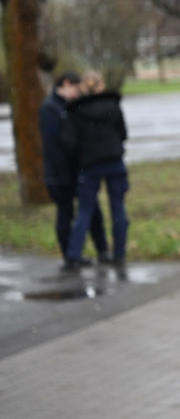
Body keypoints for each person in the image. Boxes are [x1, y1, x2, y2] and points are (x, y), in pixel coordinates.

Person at [39, 71, 110, 271]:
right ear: (66, 84)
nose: (78, 94)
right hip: (60, 174)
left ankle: (102, 249)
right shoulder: (50, 109)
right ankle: (70, 256)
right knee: (66, 214)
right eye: (76, 89)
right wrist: (64, 173)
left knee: (92, 210)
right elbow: (54, 146)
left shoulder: (70, 106)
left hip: (80, 171)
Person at [61, 70, 130, 267]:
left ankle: (74, 254)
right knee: (118, 208)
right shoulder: (113, 106)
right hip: (114, 161)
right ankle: (119, 253)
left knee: (84, 211)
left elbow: (69, 143)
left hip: (89, 165)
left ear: (84, 87)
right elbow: (123, 133)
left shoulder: (76, 111)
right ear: (101, 85)